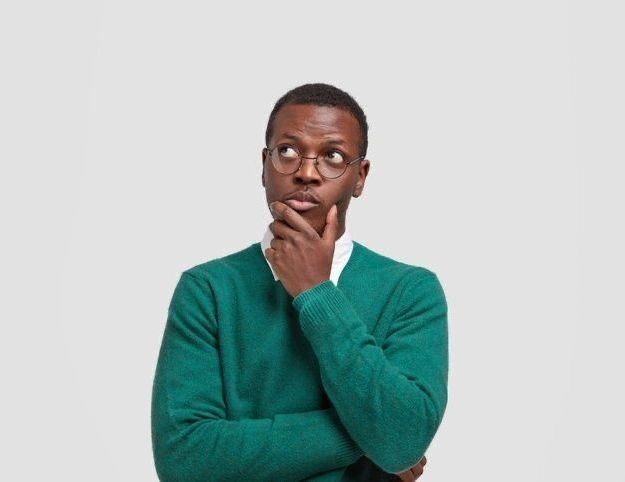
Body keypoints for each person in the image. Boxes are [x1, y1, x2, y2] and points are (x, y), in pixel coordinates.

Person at [151, 83, 448, 481]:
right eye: (288, 151)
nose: (306, 172)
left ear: (359, 177)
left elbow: (402, 438)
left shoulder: (410, 291)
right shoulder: (208, 289)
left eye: (332, 156)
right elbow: (183, 459)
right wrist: (369, 436)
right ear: (264, 165)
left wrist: (316, 294)